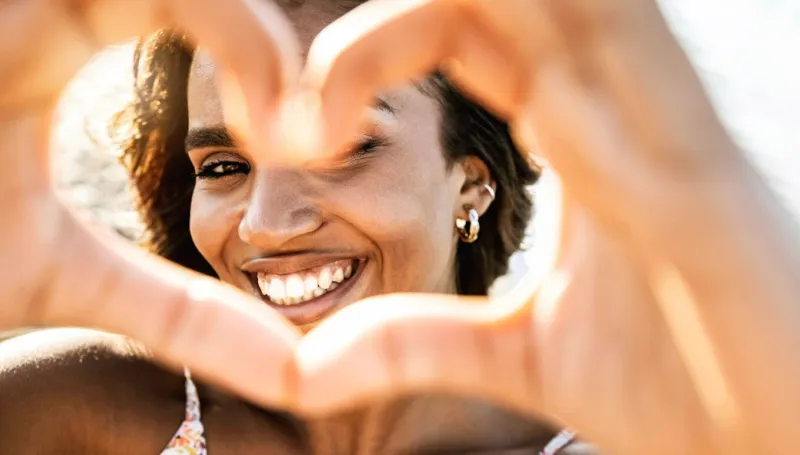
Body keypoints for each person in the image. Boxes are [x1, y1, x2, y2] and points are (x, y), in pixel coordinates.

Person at [0, 1, 798, 454]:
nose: (269, 223)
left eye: (345, 149)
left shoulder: (641, 432)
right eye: (222, 166)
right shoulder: (68, 408)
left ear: (471, 182)